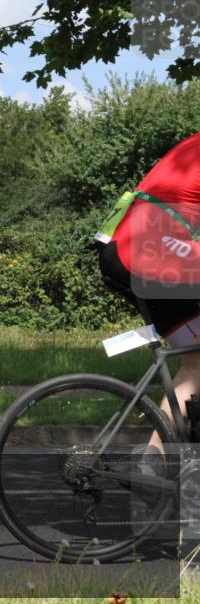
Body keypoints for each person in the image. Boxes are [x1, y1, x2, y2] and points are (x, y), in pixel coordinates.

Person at [97, 131, 200, 451]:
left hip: (125, 245)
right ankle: (155, 463)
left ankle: (155, 465)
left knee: (195, 365)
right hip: (144, 248)